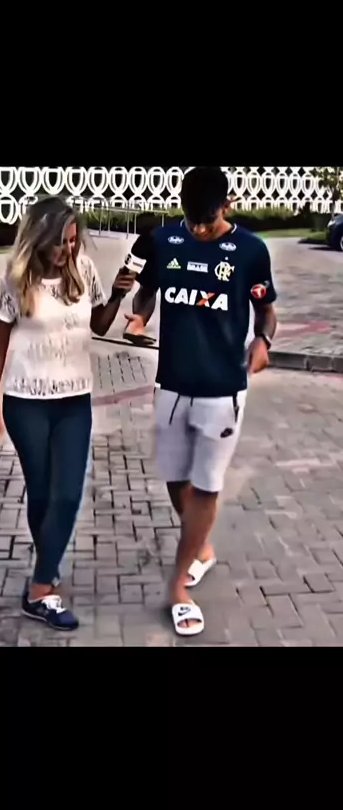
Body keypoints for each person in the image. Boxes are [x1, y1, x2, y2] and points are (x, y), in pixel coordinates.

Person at [124, 166, 277, 636]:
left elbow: (266, 310)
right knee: (176, 478)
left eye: (207, 222)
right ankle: (201, 548)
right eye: (192, 221)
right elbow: (147, 291)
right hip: (171, 383)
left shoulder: (251, 250)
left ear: (226, 206)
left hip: (222, 389)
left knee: (207, 485)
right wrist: (138, 318)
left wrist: (263, 341)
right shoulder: (166, 241)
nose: (199, 230)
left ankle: (178, 588)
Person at [0, 196, 136, 631]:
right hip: (26, 402)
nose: (67, 249)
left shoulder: (82, 269)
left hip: (74, 401)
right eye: (60, 242)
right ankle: (47, 575)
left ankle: (38, 587)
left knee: (67, 493)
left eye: (72, 241)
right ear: (39, 239)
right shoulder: (16, 278)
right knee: (42, 493)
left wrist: (118, 294)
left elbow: (99, 325)